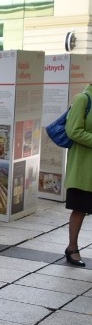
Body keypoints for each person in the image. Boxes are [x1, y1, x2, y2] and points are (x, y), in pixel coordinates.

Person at [63, 83, 92, 267]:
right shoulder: (83, 99)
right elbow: (72, 131)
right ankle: (72, 248)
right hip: (84, 167)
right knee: (80, 209)